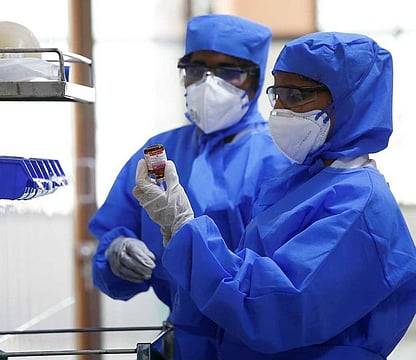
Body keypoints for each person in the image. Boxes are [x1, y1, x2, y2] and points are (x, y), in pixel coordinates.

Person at [133, 31, 416, 359]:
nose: (279, 110)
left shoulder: (360, 207)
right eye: (277, 95)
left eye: (295, 96)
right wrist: (176, 232)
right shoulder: (300, 182)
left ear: (351, 102)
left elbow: (271, 309)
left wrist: (186, 230)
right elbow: (244, 283)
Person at [89, 14, 291, 359]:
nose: (208, 84)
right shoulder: (158, 153)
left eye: (229, 72)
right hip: (183, 342)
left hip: (261, 346)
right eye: (196, 70)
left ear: (256, 81)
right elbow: (113, 238)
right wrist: (117, 252)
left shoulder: (284, 157)